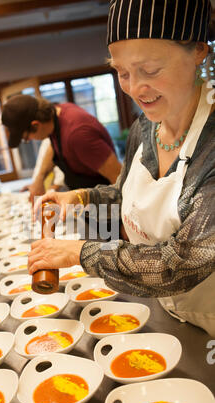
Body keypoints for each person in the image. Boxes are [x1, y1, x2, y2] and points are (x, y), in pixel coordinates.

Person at [28, 0, 215, 337]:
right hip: (168, 316)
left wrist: (81, 253)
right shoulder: (146, 127)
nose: (134, 88)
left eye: (150, 70)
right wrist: (80, 198)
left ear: (199, 51)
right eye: (122, 72)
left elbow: (181, 264)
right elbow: (125, 196)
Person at [1, 95, 122, 201]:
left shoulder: (78, 135)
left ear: (36, 125)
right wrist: (40, 178)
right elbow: (54, 146)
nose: (29, 140)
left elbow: (119, 177)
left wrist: (122, 223)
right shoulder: (56, 115)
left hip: (105, 205)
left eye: (26, 138)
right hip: (85, 200)